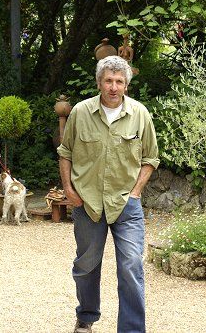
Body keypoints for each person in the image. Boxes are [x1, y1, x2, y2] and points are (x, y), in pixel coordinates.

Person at [57, 55, 159, 333]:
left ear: (126, 85)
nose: (114, 87)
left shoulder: (140, 114)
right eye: (109, 81)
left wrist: (136, 191)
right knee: (86, 266)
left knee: (131, 266)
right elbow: (65, 153)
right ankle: (86, 316)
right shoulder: (80, 112)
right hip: (88, 203)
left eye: (119, 81)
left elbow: (151, 158)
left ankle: (132, 329)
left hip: (126, 204)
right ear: (99, 82)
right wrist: (68, 190)